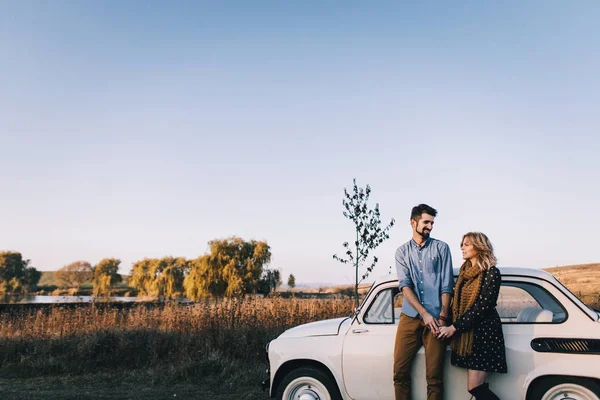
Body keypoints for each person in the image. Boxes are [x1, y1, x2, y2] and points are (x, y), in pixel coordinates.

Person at [394, 204, 454, 400]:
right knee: (400, 373)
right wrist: (423, 313)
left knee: (435, 378)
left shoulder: (442, 248)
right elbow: (405, 286)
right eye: (426, 222)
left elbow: (446, 286)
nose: (430, 226)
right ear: (413, 222)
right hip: (410, 317)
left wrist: (443, 316)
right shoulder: (402, 252)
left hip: (437, 318)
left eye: (432, 223)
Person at [437, 232, 507, 400]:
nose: (462, 247)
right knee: (478, 386)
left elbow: (482, 307)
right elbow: (456, 303)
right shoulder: (463, 274)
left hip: (485, 335)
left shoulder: (491, 273)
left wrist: (454, 328)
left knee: (474, 386)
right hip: (469, 335)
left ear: (479, 246)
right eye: (462, 244)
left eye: (467, 244)